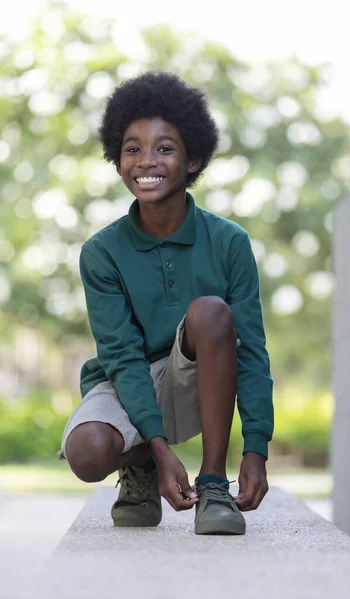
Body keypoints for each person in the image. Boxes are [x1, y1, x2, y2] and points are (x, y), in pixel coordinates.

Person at [58, 71, 274, 535]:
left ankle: (213, 485)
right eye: (132, 148)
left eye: (164, 147)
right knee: (87, 451)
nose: (146, 161)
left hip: (201, 378)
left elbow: (252, 349)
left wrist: (256, 448)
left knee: (210, 311)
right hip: (130, 378)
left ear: (193, 158)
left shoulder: (230, 242)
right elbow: (121, 355)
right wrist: (157, 447)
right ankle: (141, 469)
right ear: (117, 162)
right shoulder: (101, 252)